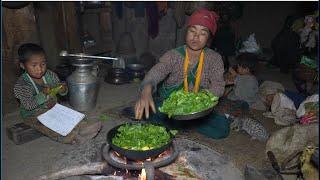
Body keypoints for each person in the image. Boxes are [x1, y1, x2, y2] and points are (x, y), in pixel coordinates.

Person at [135, 8, 229, 139]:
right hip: (170, 107)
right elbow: (157, 71)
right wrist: (146, 89)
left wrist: (196, 102)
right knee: (148, 111)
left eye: (203, 33)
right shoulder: (173, 55)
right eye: (192, 30)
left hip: (198, 110)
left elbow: (218, 87)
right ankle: (184, 124)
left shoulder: (214, 58)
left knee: (222, 128)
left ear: (208, 38)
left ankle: (182, 124)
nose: (196, 37)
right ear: (186, 32)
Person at [14, 43, 101, 144]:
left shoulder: (50, 75)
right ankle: (72, 138)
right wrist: (43, 94)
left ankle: (84, 126)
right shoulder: (21, 85)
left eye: (43, 64)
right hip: (33, 114)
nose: (39, 69)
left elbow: (63, 93)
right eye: (34, 65)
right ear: (22, 65)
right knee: (48, 126)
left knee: (70, 116)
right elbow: (28, 105)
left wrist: (63, 89)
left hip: (53, 107)